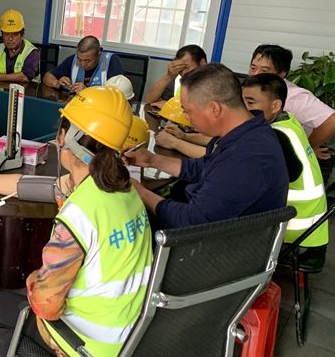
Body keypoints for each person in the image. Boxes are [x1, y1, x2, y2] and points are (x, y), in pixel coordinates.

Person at [0, 87, 152, 356]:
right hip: (129, 336)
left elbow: (45, 304)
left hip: (87, 344)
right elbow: (36, 186)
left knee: (1, 305)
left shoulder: (79, 214)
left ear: (65, 136)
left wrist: (33, 278)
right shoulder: (124, 188)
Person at [126, 64, 289, 228]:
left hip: (208, 238)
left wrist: (138, 191)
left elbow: (190, 222)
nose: (187, 118)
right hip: (201, 216)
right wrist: (152, 160)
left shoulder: (247, 157)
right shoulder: (248, 131)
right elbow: (206, 166)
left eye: (188, 111)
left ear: (214, 109)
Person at [242, 73, 328, 249]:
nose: (243, 108)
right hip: (312, 227)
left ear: (275, 105)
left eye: (250, 103)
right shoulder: (289, 121)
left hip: (295, 233)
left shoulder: (274, 137)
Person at [249, 44, 335, 159]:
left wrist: (308, 148)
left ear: (282, 74)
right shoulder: (252, 88)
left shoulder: (294, 96)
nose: (255, 74)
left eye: (264, 70)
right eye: (253, 68)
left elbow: (331, 121)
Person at [0, 9, 40, 83]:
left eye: (15, 34)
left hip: (27, 90)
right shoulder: (0, 48)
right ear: (2, 35)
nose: (10, 38)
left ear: (22, 35)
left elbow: (25, 77)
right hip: (1, 89)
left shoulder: (31, 52)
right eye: (6, 34)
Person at [43, 35, 124, 92]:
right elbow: (47, 77)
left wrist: (87, 91)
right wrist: (57, 83)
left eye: (87, 61)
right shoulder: (73, 59)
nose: (82, 64)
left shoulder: (112, 61)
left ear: (98, 55)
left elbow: (118, 94)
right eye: (79, 59)